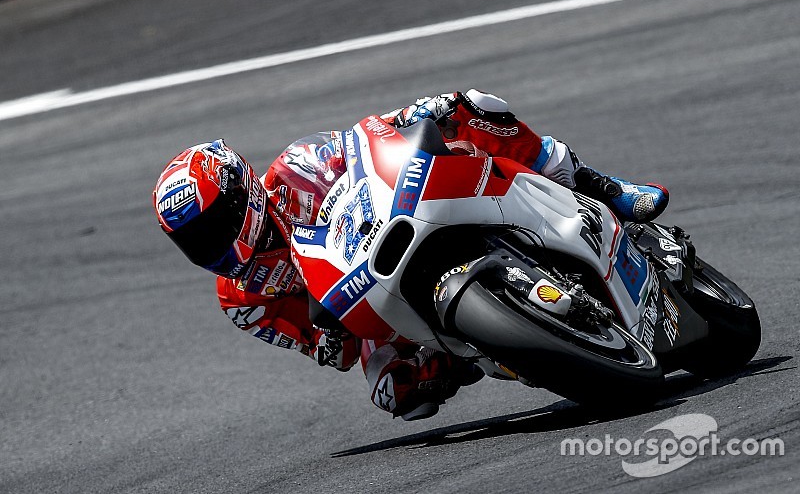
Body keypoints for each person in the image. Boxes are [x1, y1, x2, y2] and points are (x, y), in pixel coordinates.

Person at [153, 89, 668, 421]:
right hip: (366, 306)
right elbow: (328, 351)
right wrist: (329, 341)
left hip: (397, 222)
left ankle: (597, 185)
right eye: (194, 241)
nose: (210, 244)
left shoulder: (295, 166)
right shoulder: (242, 298)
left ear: (241, 189)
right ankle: (474, 349)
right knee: (396, 396)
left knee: (470, 106)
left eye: (212, 226)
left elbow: (365, 144)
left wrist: (414, 118)